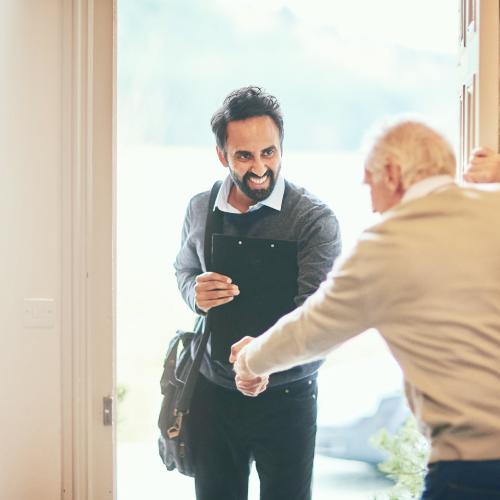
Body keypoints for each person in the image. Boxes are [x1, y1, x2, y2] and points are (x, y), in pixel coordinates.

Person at [231, 119, 500, 500]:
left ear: (391, 173)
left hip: (474, 471)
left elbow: (309, 331)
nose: (372, 203)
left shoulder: (386, 246)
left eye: (368, 183)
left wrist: (249, 360)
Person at [174, 86, 341, 500]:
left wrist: (263, 362)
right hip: (214, 394)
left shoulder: (314, 221)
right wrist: (195, 292)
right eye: (244, 156)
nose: (260, 167)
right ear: (222, 156)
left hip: (287, 396)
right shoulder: (200, 208)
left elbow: (319, 319)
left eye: (269, 152)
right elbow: (184, 269)